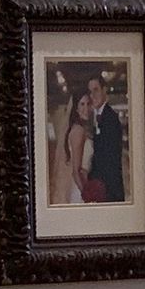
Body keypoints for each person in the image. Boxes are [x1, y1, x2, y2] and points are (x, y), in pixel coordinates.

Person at [52, 91, 95, 206]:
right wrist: (87, 195)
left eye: (88, 104)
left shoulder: (80, 128)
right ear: (75, 108)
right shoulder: (78, 131)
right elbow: (76, 172)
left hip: (82, 184)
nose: (86, 108)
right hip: (80, 188)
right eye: (82, 104)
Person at [87, 75, 125, 203]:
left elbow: (109, 159)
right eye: (90, 92)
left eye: (96, 90)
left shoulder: (111, 119)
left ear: (104, 90)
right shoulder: (96, 116)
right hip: (101, 188)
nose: (92, 95)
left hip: (109, 190)